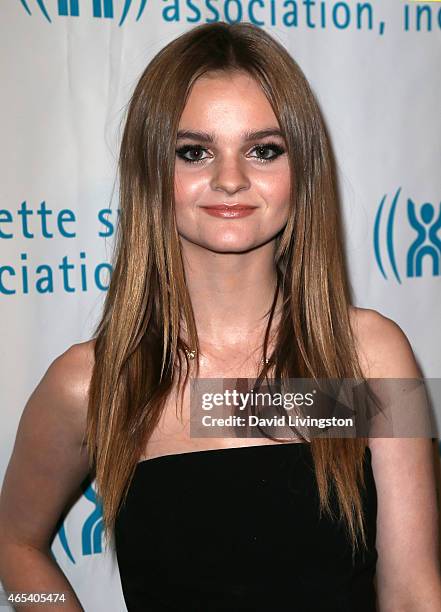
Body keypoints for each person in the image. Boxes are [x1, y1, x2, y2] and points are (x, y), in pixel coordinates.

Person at [0, 21, 440, 612]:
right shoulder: (96, 383)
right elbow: (14, 541)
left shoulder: (368, 357)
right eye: (194, 151)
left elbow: (413, 593)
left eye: (263, 150)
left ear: (301, 170)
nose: (230, 179)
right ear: (150, 170)